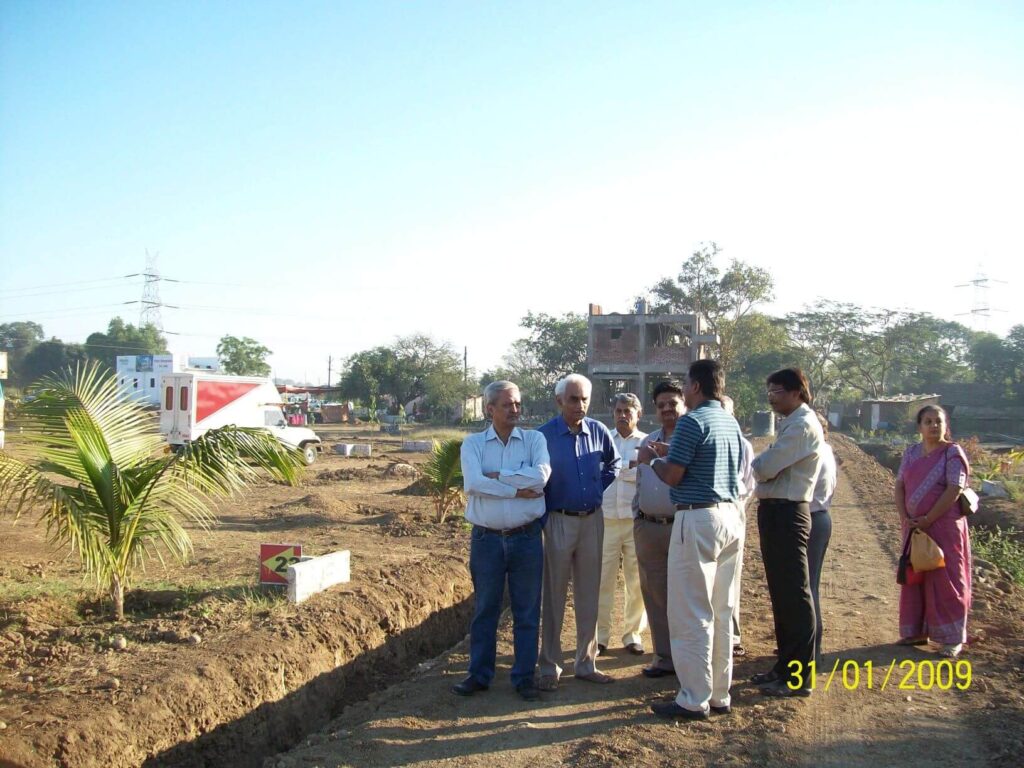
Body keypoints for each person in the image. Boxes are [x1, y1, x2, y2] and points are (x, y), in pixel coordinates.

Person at [648, 359, 745, 720]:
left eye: (686, 384)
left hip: (697, 517)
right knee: (721, 610)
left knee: (691, 612)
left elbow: (673, 476)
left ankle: (692, 698)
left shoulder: (692, 421)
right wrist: (668, 457)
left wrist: (650, 461)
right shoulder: (728, 421)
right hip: (729, 515)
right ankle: (719, 693)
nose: (684, 389)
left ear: (696, 387)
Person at [452, 381, 551, 701]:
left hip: (527, 539)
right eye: (508, 405)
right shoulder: (473, 444)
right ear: (489, 409)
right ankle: (479, 675)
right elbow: (473, 483)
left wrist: (498, 477)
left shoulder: (535, 439)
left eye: (518, 404)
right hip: (487, 540)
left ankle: (524, 677)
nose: (515, 410)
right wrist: (515, 486)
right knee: (485, 609)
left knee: (526, 610)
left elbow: (541, 477)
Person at [537, 374, 621, 691]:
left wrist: (598, 488)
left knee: (589, 593)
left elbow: (613, 464)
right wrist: (545, 516)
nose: (580, 405)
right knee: (554, 595)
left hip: (592, 521)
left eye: (585, 398)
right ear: (559, 401)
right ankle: (550, 666)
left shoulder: (598, 432)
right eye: (573, 399)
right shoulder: (542, 436)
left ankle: (586, 663)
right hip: (557, 519)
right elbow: (535, 479)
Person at [750, 368, 823, 697]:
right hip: (776, 511)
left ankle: (799, 676)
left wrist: (761, 467)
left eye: (776, 390)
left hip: (788, 511)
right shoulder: (792, 423)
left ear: (797, 392)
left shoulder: (803, 426)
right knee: (782, 594)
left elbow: (764, 467)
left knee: (794, 595)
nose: (771, 397)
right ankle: (784, 666)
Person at [895, 404, 972, 658]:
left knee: (947, 579)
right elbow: (900, 486)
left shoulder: (952, 453)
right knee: (915, 575)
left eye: (938, 421)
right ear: (920, 427)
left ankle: (951, 639)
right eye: (927, 421)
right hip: (914, 527)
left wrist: (929, 517)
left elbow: (954, 489)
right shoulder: (911, 453)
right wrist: (905, 516)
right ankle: (917, 632)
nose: (933, 426)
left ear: (946, 424)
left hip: (943, 527)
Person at [634, 380, 687, 679]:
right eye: (662, 405)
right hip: (648, 527)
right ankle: (664, 656)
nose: (667, 409)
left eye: (672, 404)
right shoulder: (648, 441)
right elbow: (640, 482)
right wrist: (638, 518)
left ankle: (686, 658)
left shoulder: (690, 439)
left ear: (683, 405)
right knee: (654, 595)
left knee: (684, 595)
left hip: (680, 526)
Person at [597, 393, 648, 657]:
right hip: (605, 519)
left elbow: (646, 472)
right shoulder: (603, 440)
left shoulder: (647, 443)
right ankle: (600, 636)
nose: (622, 415)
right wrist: (629, 467)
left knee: (636, 580)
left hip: (634, 520)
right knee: (602, 579)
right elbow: (599, 470)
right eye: (618, 410)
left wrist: (620, 468)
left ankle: (632, 634)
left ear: (638, 414)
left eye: (628, 410)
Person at [720, 395, 754, 658]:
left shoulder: (742, 445)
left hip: (733, 509)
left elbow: (748, 484)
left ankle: (732, 637)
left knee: (730, 578)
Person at [808, 412, 837, 665]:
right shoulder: (826, 450)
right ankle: (807, 647)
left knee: (806, 588)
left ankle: (810, 650)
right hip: (820, 518)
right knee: (810, 585)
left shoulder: (816, 452)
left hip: (811, 519)